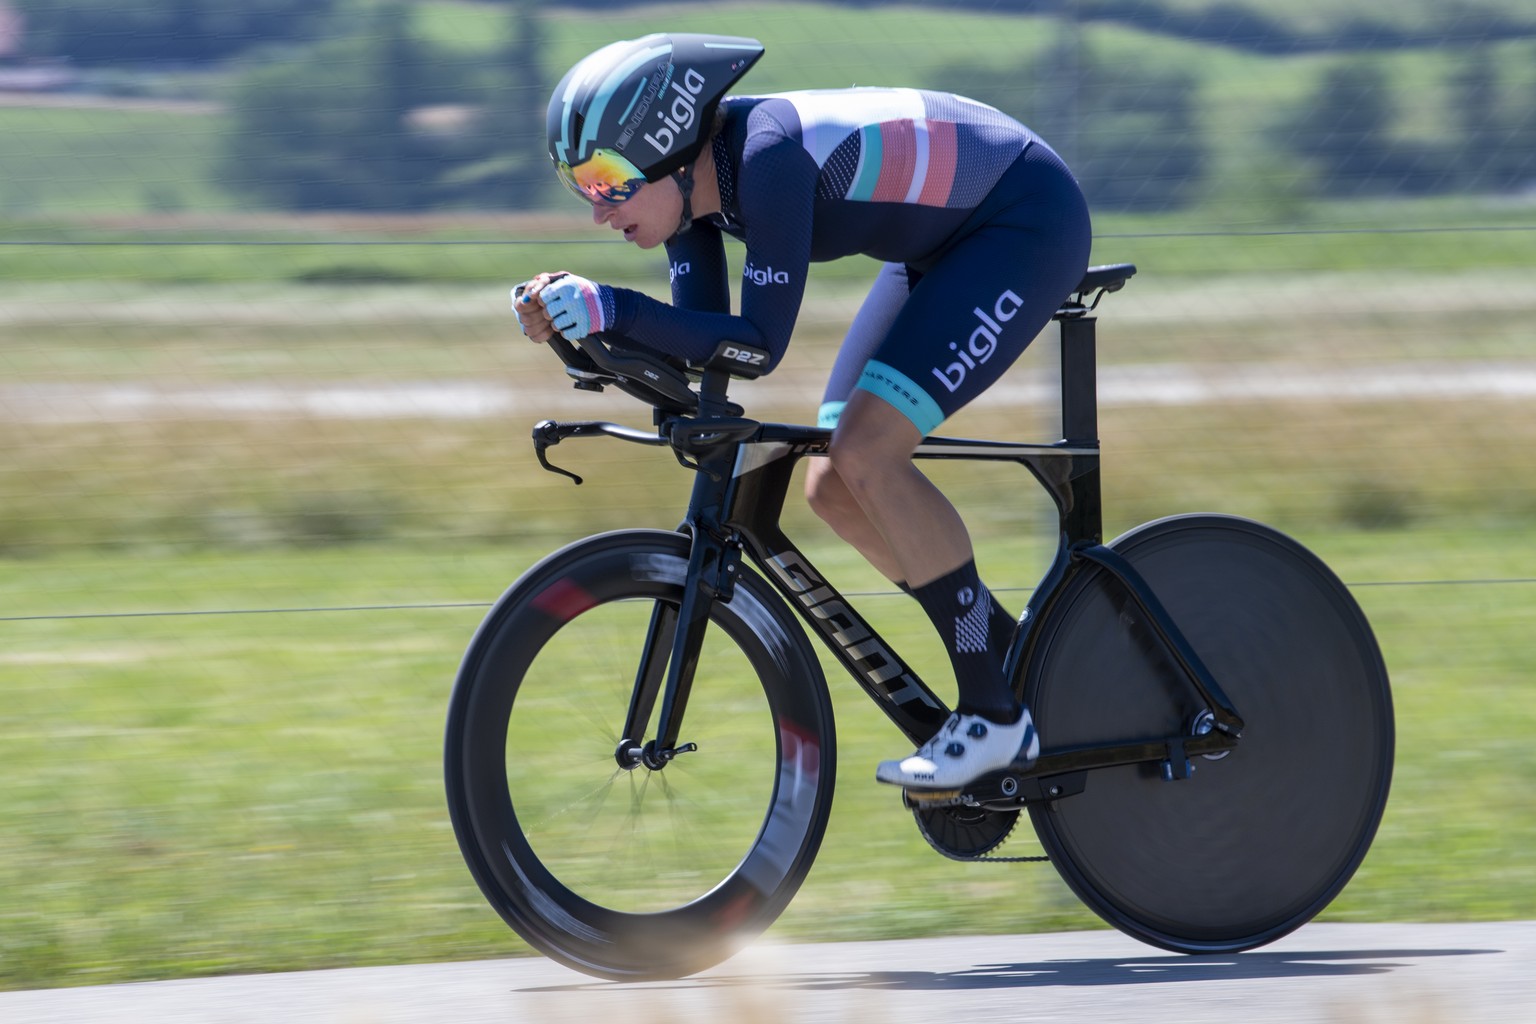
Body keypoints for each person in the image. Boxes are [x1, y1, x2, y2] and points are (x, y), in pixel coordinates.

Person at [514, 33, 1092, 792]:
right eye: (582, 190)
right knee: (833, 482)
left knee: (868, 453)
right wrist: (583, 330)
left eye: (606, 184)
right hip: (943, 245)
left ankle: (995, 715)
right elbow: (705, 352)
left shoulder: (767, 161)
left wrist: (610, 305)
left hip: (1023, 223)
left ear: (666, 150)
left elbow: (757, 348)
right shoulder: (696, 201)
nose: (597, 213)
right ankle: (1015, 661)